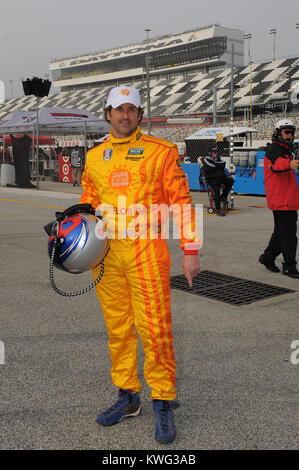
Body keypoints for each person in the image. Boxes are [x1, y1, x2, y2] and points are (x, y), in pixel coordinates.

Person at [79, 85, 201, 443]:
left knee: (154, 329)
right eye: (119, 109)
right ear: (108, 113)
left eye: (131, 109)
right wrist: (72, 234)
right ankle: (128, 395)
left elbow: (181, 201)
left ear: (139, 115)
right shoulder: (94, 157)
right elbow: (88, 199)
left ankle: (162, 398)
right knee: (117, 330)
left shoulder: (161, 152)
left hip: (146, 252)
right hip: (105, 256)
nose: (125, 115)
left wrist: (190, 249)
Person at [259, 119, 299, 278]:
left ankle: (267, 257)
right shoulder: (274, 150)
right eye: (286, 132)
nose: (290, 135)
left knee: (281, 233)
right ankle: (289, 266)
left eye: (292, 132)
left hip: (288, 199)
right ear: (278, 133)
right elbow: (277, 164)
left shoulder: (287, 149)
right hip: (282, 200)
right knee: (288, 234)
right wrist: (290, 164)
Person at [202, 144, 234, 216]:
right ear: (210, 152)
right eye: (214, 152)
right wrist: (217, 166)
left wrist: (215, 165)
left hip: (220, 177)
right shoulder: (206, 159)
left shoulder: (218, 159)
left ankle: (223, 196)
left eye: (216, 152)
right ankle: (218, 209)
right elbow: (209, 168)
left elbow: (223, 164)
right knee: (216, 190)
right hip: (212, 179)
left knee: (231, 181)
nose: (215, 153)